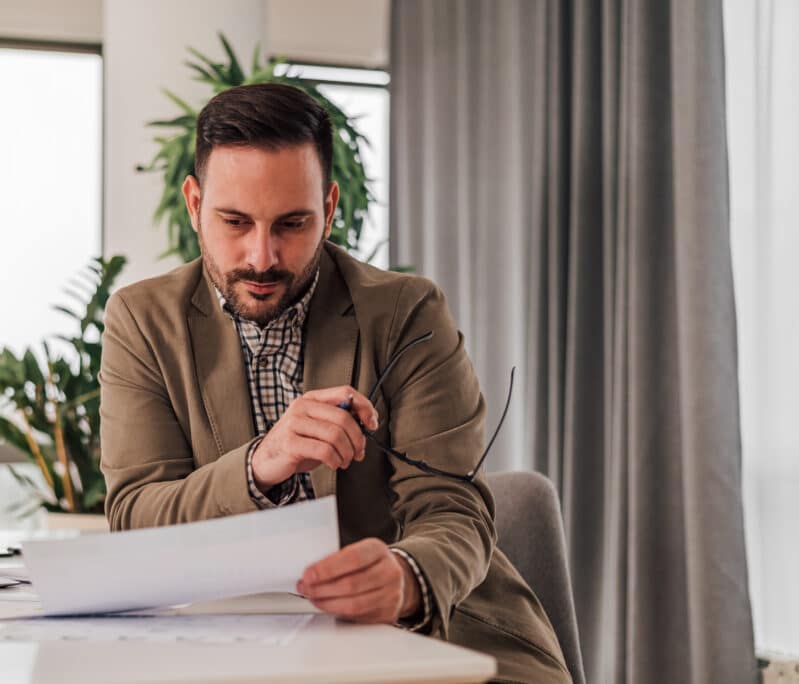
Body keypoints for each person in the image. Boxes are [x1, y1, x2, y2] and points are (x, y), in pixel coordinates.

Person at [100, 83, 572, 684]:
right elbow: (137, 520)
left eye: (292, 223)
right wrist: (262, 462)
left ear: (329, 205)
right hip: (232, 650)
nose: (262, 256)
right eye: (235, 222)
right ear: (194, 204)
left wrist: (405, 578)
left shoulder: (408, 313)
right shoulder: (143, 321)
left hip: (439, 637)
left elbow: (452, 507)